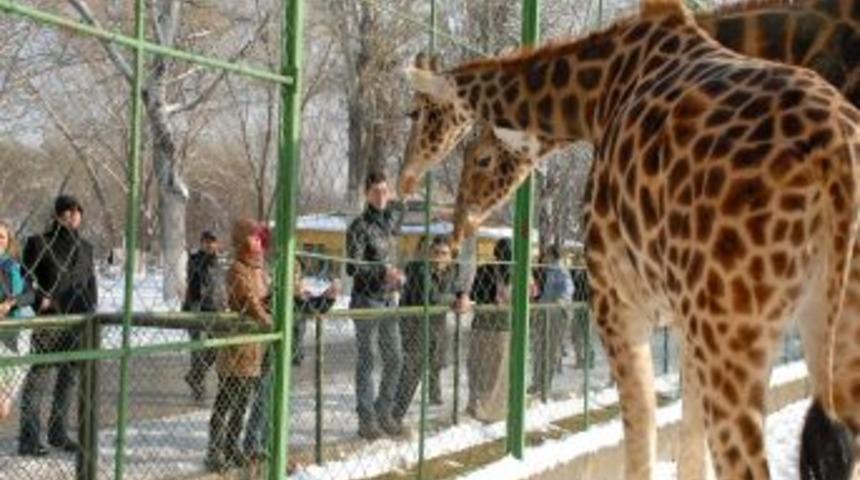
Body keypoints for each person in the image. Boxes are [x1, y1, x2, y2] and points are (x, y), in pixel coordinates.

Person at [18, 195, 97, 456]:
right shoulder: (39, 243)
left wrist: (92, 310)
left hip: (78, 321)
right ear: (57, 215)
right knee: (39, 378)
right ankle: (29, 438)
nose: (73, 215)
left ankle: (58, 432)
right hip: (50, 321)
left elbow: (90, 282)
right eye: (67, 211)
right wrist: (40, 299)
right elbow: (25, 279)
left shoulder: (86, 247)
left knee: (69, 378)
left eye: (77, 211)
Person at [242, 260, 338, 461]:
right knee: (263, 400)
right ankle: (253, 444)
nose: (297, 279)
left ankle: (269, 443)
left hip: (287, 358)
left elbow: (313, 308)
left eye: (298, 274)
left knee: (279, 402)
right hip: (272, 357)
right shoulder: (277, 296)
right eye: (293, 273)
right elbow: (270, 308)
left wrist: (328, 298)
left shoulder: (296, 298)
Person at [206, 218, 270, 472]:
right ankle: (215, 450)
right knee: (226, 399)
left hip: (252, 346)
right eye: (253, 237)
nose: (258, 242)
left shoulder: (258, 269)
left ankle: (233, 447)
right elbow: (248, 298)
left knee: (243, 402)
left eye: (259, 237)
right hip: (235, 347)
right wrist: (265, 317)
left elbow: (263, 297)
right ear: (243, 239)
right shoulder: (237, 269)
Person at [346, 171, 405, 439]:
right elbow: (352, 268)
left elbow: (402, 204)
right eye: (376, 191)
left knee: (395, 358)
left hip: (387, 298)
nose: (382, 196)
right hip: (366, 300)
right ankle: (366, 419)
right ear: (366, 194)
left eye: (385, 191)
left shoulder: (388, 224)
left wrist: (396, 277)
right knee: (368, 360)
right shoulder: (359, 227)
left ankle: (384, 411)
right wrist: (383, 273)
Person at [392, 236, 467, 423]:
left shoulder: (452, 270)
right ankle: (395, 414)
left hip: (436, 325)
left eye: (444, 254)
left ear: (450, 257)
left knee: (435, 363)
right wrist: (453, 300)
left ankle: (431, 396)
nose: (439, 258)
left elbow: (458, 288)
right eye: (435, 253)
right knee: (412, 371)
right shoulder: (419, 269)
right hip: (414, 324)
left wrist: (463, 296)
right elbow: (430, 297)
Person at [466, 238, 513, 423]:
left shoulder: (517, 272)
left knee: (491, 369)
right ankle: (480, 405)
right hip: (488, 324)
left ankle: (489, 408)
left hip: (499, 326)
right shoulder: (487, 270)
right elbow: (476, 294)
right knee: (482, 367)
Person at [0, 221, 36, 423]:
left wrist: (11, 303)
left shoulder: (15, 266)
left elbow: (31, 295)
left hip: (16, 334)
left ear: (8, 241)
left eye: (1, 237)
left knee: (3, 408)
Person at [182, 230, 223, 401]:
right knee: (197, 349)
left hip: (214, 308)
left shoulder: (219, 262)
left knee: (214, 347)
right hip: (196, 306)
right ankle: (198, 386)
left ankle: (194, 376)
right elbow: (199, 273)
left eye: (212, 241)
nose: (209, 244)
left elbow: (219, 287)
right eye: (206, 241)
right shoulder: (195, 259)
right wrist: (210, 258)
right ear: (201, 243)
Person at [529, 245, 573, 396]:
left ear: (552, 255)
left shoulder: (560, 270)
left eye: (547, 254)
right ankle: (538, 383)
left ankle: (544, 385)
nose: (544, 256)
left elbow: (568, 289)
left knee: (549, 350)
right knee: (539, 348)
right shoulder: (546, 270)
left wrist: (560, 301)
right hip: (544, 313)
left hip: (555, 315)